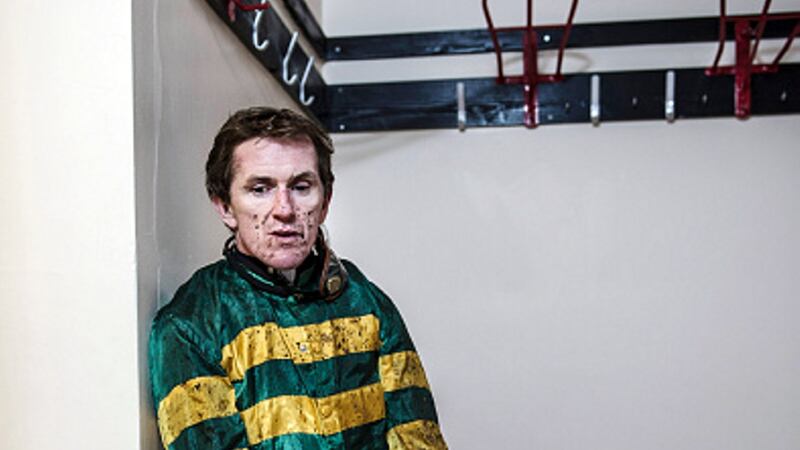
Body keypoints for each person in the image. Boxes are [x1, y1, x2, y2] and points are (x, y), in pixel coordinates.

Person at [149, 107, 447, 450]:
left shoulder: (366, 302)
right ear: (225, 206)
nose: (285, 210)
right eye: (260, 188)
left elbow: (419, 439)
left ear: (325, 202)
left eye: (301, 186)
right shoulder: (192, 324)